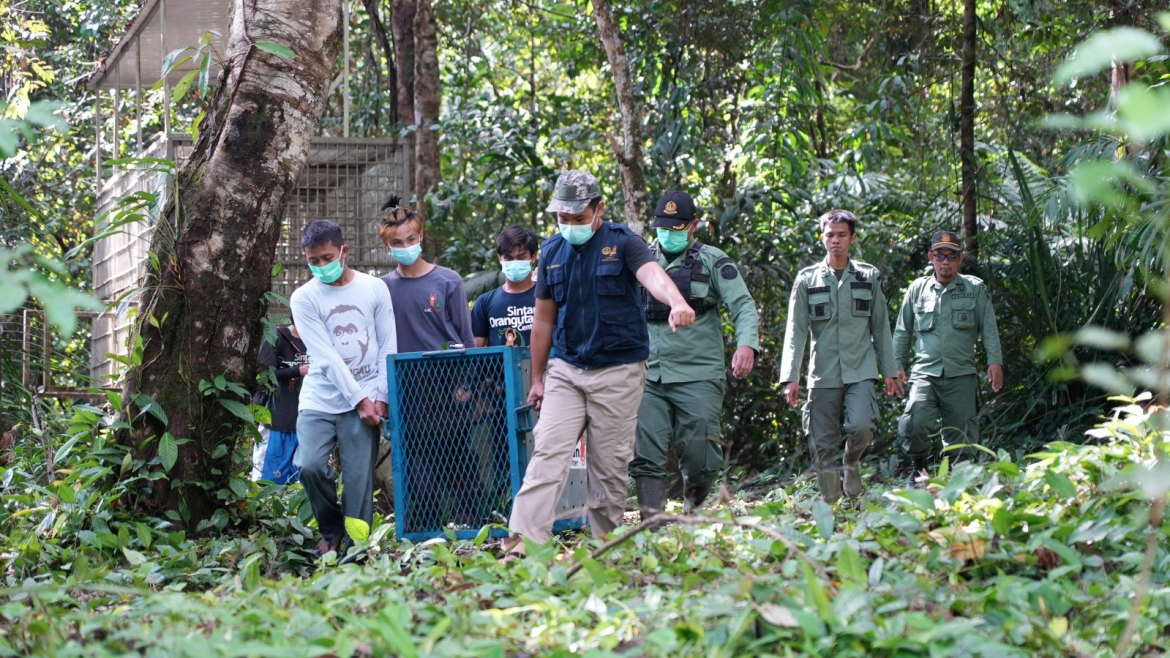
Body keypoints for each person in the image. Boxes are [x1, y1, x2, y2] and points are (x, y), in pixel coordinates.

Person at [501, 170, 697, 561]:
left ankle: (603, 550)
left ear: (599, 209)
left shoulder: (623, 243)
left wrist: (676, 301)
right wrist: (537, 378)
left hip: (618, 371)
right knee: (547, 456)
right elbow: (543, 320)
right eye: (563, 218)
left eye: (578, 218)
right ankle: (522, 546)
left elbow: (651, 274)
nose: (570, 226)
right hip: (567, 370)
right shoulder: (554, 253)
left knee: (608, 470)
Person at [629, 191, 760, 519]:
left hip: (698, 372)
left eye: (677, 228)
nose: (668, 234)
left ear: (693, 226)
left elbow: (742, 304)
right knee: (645, 454)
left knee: (701, 458)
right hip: (647, 373)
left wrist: (746, 345)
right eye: (662, 228)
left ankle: (693, 511)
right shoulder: (640, 260)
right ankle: (652, 527)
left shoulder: (713, 260)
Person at [290, 219, 396, 556]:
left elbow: (387, 343)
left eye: (327, 258)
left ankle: (357, 550)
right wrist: (360, 399)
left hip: (366, 396)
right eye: (313, 261)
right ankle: (332, 529)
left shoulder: (374, 288)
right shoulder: (303, 298)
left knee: (358, 483)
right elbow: (324, 356)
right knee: (308, 464)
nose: (321, 266)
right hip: (320, 398)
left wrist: (380, 396)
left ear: (344, 252)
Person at [779, 209, 900, 503]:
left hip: (860, 369)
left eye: (841, 235)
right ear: (822, 238)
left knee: (862, 426)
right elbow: (795, 332)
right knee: (822, 445)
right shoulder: (807, 280)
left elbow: (881, 326)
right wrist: (790, 378)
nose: (835, 240)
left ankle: (851, 461)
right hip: (823, 374)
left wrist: (890, 372)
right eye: (830, 235)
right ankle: (832, 504)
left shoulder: (868, 277)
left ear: (852, 238)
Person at [892, 230, 1003, 486]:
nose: (945, 261)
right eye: (940, 255)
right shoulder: (917, 289)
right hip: (924, 374)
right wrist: (896, 365)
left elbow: (989, 327)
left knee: (962, 436)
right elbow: (902, 331)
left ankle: (959, 482)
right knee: (915, 422)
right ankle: (918, 470)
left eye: (951, 256)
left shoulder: (974, 288)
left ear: (960, 259)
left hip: (961, 375)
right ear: (931, 257)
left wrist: (994, 362)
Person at [379, 196, 475, 353]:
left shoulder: (449, 281)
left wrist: (471, 375)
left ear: (420, 236)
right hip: (403, 374)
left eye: (411, 239)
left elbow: (466, 338)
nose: (406, 246)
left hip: (448, 371)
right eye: (397, 242)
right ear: (387, 244)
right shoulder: (382, 287)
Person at [251, 313, 309, 484]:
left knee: (299, 488)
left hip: (307, 426)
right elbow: (263, 375)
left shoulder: (317, 339)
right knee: (266, 482)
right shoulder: (277, 337)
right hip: (276, 421)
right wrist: (297, 371)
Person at [472, 226, 539, 348]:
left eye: (521, 257)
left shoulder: (547, 297)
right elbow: (476, 352)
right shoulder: (484, 302)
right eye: (508, 258)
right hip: (499, 367)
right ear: (499, 258)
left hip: (543, 367)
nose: (514, 262)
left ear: (533, 257)